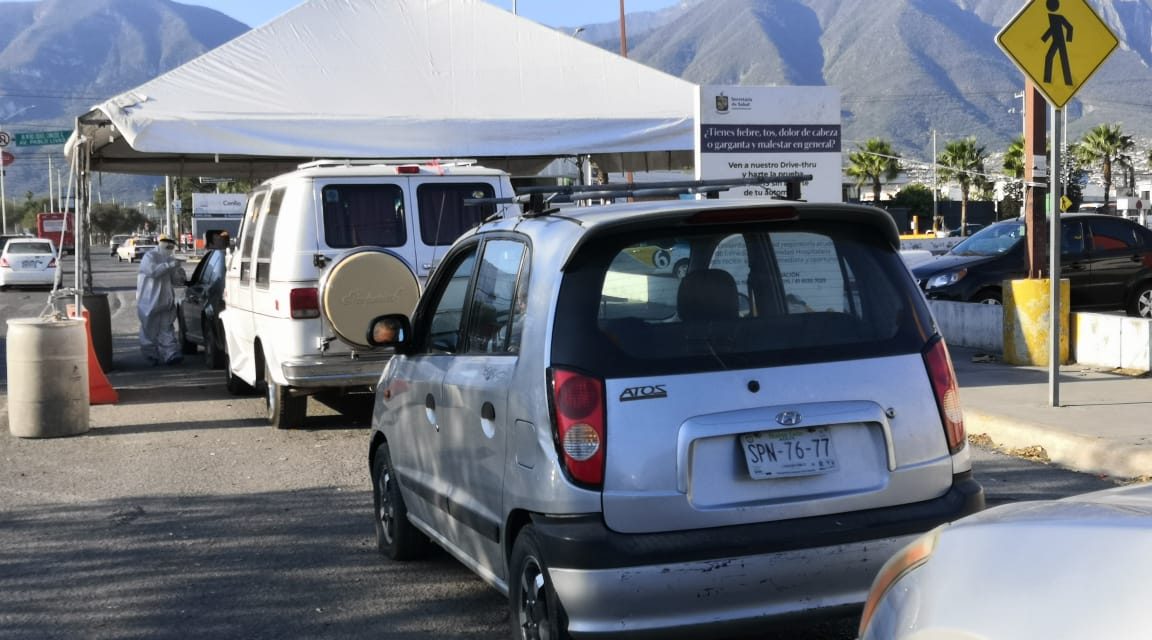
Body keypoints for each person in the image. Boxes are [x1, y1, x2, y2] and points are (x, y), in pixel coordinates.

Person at [137, 234, 187, 365]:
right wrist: (169, 265)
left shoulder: (170, 259)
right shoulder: (150, 257)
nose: (169, 247)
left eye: (171, 245)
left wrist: (179, 272)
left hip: (166, 301)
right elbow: (152, 272)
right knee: (149, 328)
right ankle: (150, 354)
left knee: (167, 327)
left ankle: (171, 354)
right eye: (167, 244)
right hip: (149, 301)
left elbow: (177, 281)